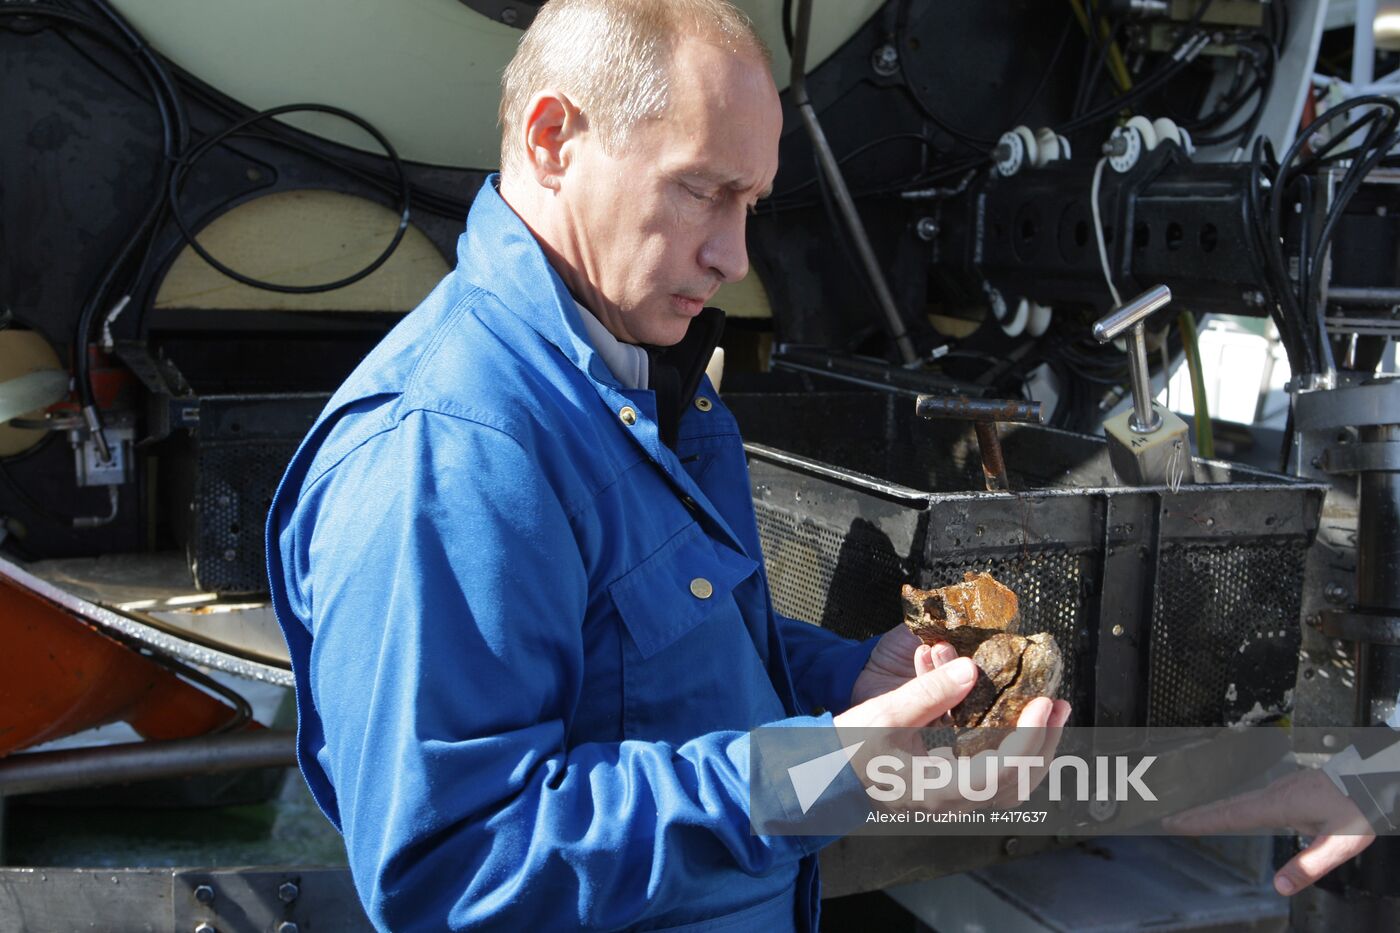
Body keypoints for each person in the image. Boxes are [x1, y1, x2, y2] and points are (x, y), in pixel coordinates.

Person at [265, 1, 1069, 929]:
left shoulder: (633, 372)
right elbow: (460, 864)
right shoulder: (447, 449)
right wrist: (821, 771)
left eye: (750, 203)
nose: (735, 256)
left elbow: (657, 666)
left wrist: (845, 685)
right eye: (700, 189)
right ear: (552, 141)